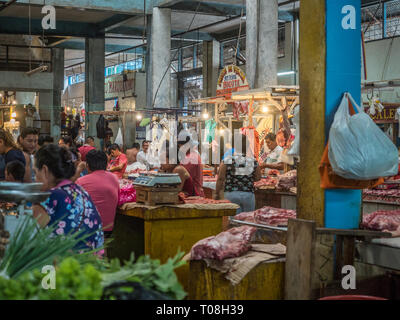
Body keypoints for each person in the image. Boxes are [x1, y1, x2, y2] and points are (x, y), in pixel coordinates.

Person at [33, 144, 104, 251]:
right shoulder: (81, 191)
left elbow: (28, 238)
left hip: (65, 265)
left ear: (44, 170)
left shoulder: (49, 197)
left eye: (35, 172)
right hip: (92, 263)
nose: (35, 179)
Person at [76, 150, 119, 238]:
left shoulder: (81, 181)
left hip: (88, 230)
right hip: (108, 229)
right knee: (103, 247)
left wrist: (78, 169)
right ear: (106, 164)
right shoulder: (114, 178)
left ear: (87, 165)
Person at [216, 134, 262, 214]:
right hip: (248, 194)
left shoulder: (227, 160)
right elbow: (258, 177)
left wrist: (217, 193)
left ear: (234, 145)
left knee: (233, 221)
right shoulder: (253, 161)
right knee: (248, 221)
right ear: (246, 146)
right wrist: (248, 178)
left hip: (231, 194)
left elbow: (220, 178)